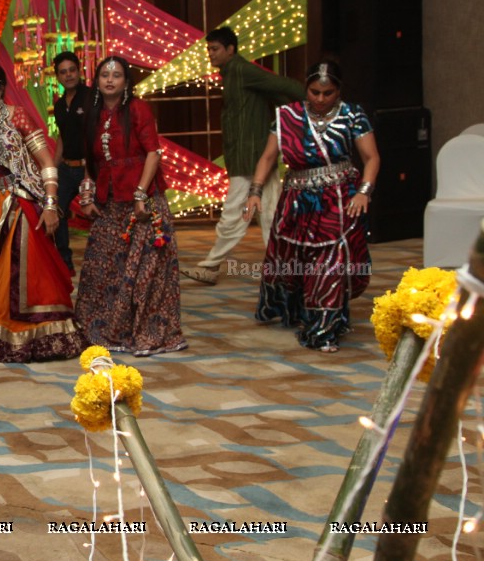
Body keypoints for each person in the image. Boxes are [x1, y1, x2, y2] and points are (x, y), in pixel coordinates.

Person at [243, 62, 379, 352]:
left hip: (338, 200)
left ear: (338, 91)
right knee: (294, 259)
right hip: (296, 200)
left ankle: (325, 325)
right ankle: (301, 312)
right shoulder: (287, 115)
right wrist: (255, 192)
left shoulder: (351, 114)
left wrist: (364, 193)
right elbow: (268, 158)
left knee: (330, 264)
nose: (319, 99)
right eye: (314, 92)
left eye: (327, 93)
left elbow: (371, 158)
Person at [0, 63, 84, 362]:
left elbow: (46, 162)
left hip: (21, 201)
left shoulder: (17, 116)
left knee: (26, 266)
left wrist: (52, 204)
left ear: (0, 89)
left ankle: (36, 334)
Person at [74, 57, 187, 356]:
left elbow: (153, 153)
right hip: (109, 202)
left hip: (142, 198)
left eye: (117, 75)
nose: (110, 80)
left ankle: (150, 333)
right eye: (104, 75)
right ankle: (109, 332)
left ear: (126, 81)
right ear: (97, 80)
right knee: (104, 267)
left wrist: (141, 195)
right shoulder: (93, 113)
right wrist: (87, 196)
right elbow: (91, 159)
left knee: (146, 269)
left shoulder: (138, 109)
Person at [181, 26, 306, 285]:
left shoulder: (241, 70)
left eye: (215, 49)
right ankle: (282, 267)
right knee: (270, 213)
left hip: (251, 159)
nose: (211, 54)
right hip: (250, 157)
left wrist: (311, 105)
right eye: (209, 49)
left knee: (235, 213)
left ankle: (212, 265)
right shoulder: (231, 73)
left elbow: (285, 86)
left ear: (230, 49)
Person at [50, 51, 92, 275]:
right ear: (57, 77)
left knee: (97, 213)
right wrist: (52, 170)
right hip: (67, 168)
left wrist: (92, 172)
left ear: (79, 71)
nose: (68, 76)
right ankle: (65, 263)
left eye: (72, 70)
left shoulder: (91, 97)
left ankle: (99, 263)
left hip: (89, 168)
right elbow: (62, 138)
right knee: (55, 210)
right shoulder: (58, 105)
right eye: (63, 72)